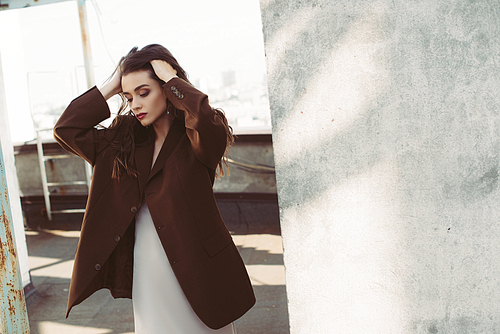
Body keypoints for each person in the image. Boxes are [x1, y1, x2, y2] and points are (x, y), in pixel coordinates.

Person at [54, 44, 256, 333]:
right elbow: (67, 130)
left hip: (199, 267)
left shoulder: (196, 135)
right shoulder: (123, 139)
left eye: (144, 92)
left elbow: (208, 127)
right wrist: (112, 84)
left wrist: (172, 78)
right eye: (128, 96)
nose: (135, 103)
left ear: (165, 88)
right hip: (148, 266)